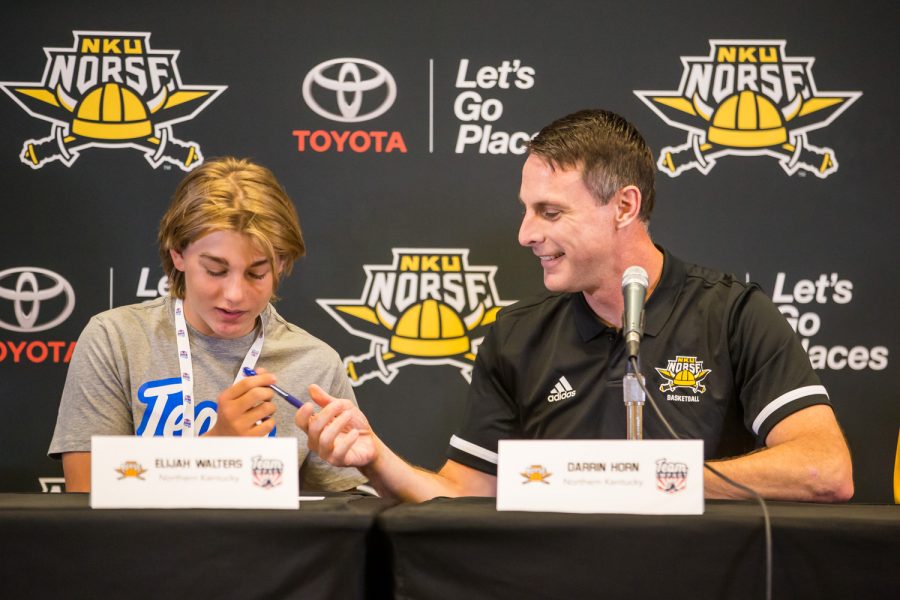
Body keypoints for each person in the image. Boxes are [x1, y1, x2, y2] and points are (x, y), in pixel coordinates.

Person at [295, 109, 854, 503]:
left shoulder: (733, 314)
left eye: (550, 212)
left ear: (624, 206)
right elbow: (460, 494)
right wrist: (375, 457)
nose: (524, 233)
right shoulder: (517, 337)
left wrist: (651, 479)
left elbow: (825, 470)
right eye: (526, 210)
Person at [49, 157, 366, 493]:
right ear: (178, 255)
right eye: (215, 270)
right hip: (144, 547)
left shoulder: (314, 364)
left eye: (257, 273)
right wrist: (216, 448)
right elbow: (86, 497)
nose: (234, 294)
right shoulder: (116, 339)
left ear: (282, 264)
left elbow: (344, 511)